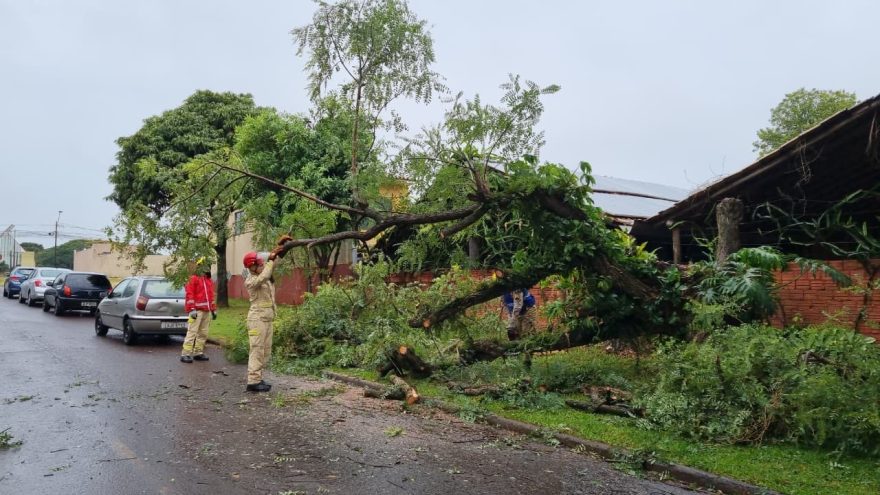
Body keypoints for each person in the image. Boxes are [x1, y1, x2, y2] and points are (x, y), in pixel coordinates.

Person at [241, 235, 291, 392]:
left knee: (265, 351)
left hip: (267, 319)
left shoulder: (262, 270)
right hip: (257, 320)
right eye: (259, 264)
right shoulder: (251, 280)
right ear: (252, 267)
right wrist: (270, 259)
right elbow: (266, 274)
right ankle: (253, 381)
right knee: (257, 349)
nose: (262, 264)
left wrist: (282, 248)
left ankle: (258, 378)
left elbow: (272, 263)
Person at [180, 257, 216, 363]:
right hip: (196, 311)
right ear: (200, 266)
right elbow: (189, 295)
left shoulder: (208, 280)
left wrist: (213, 310)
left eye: (208, 265)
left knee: (203, 333)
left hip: (206, 311)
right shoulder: (193, 278)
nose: (207, 267)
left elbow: (211, 297)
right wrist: (192, 309)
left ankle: (198, 352)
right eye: (205, 265)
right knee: (192, 332)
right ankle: (185, 354)